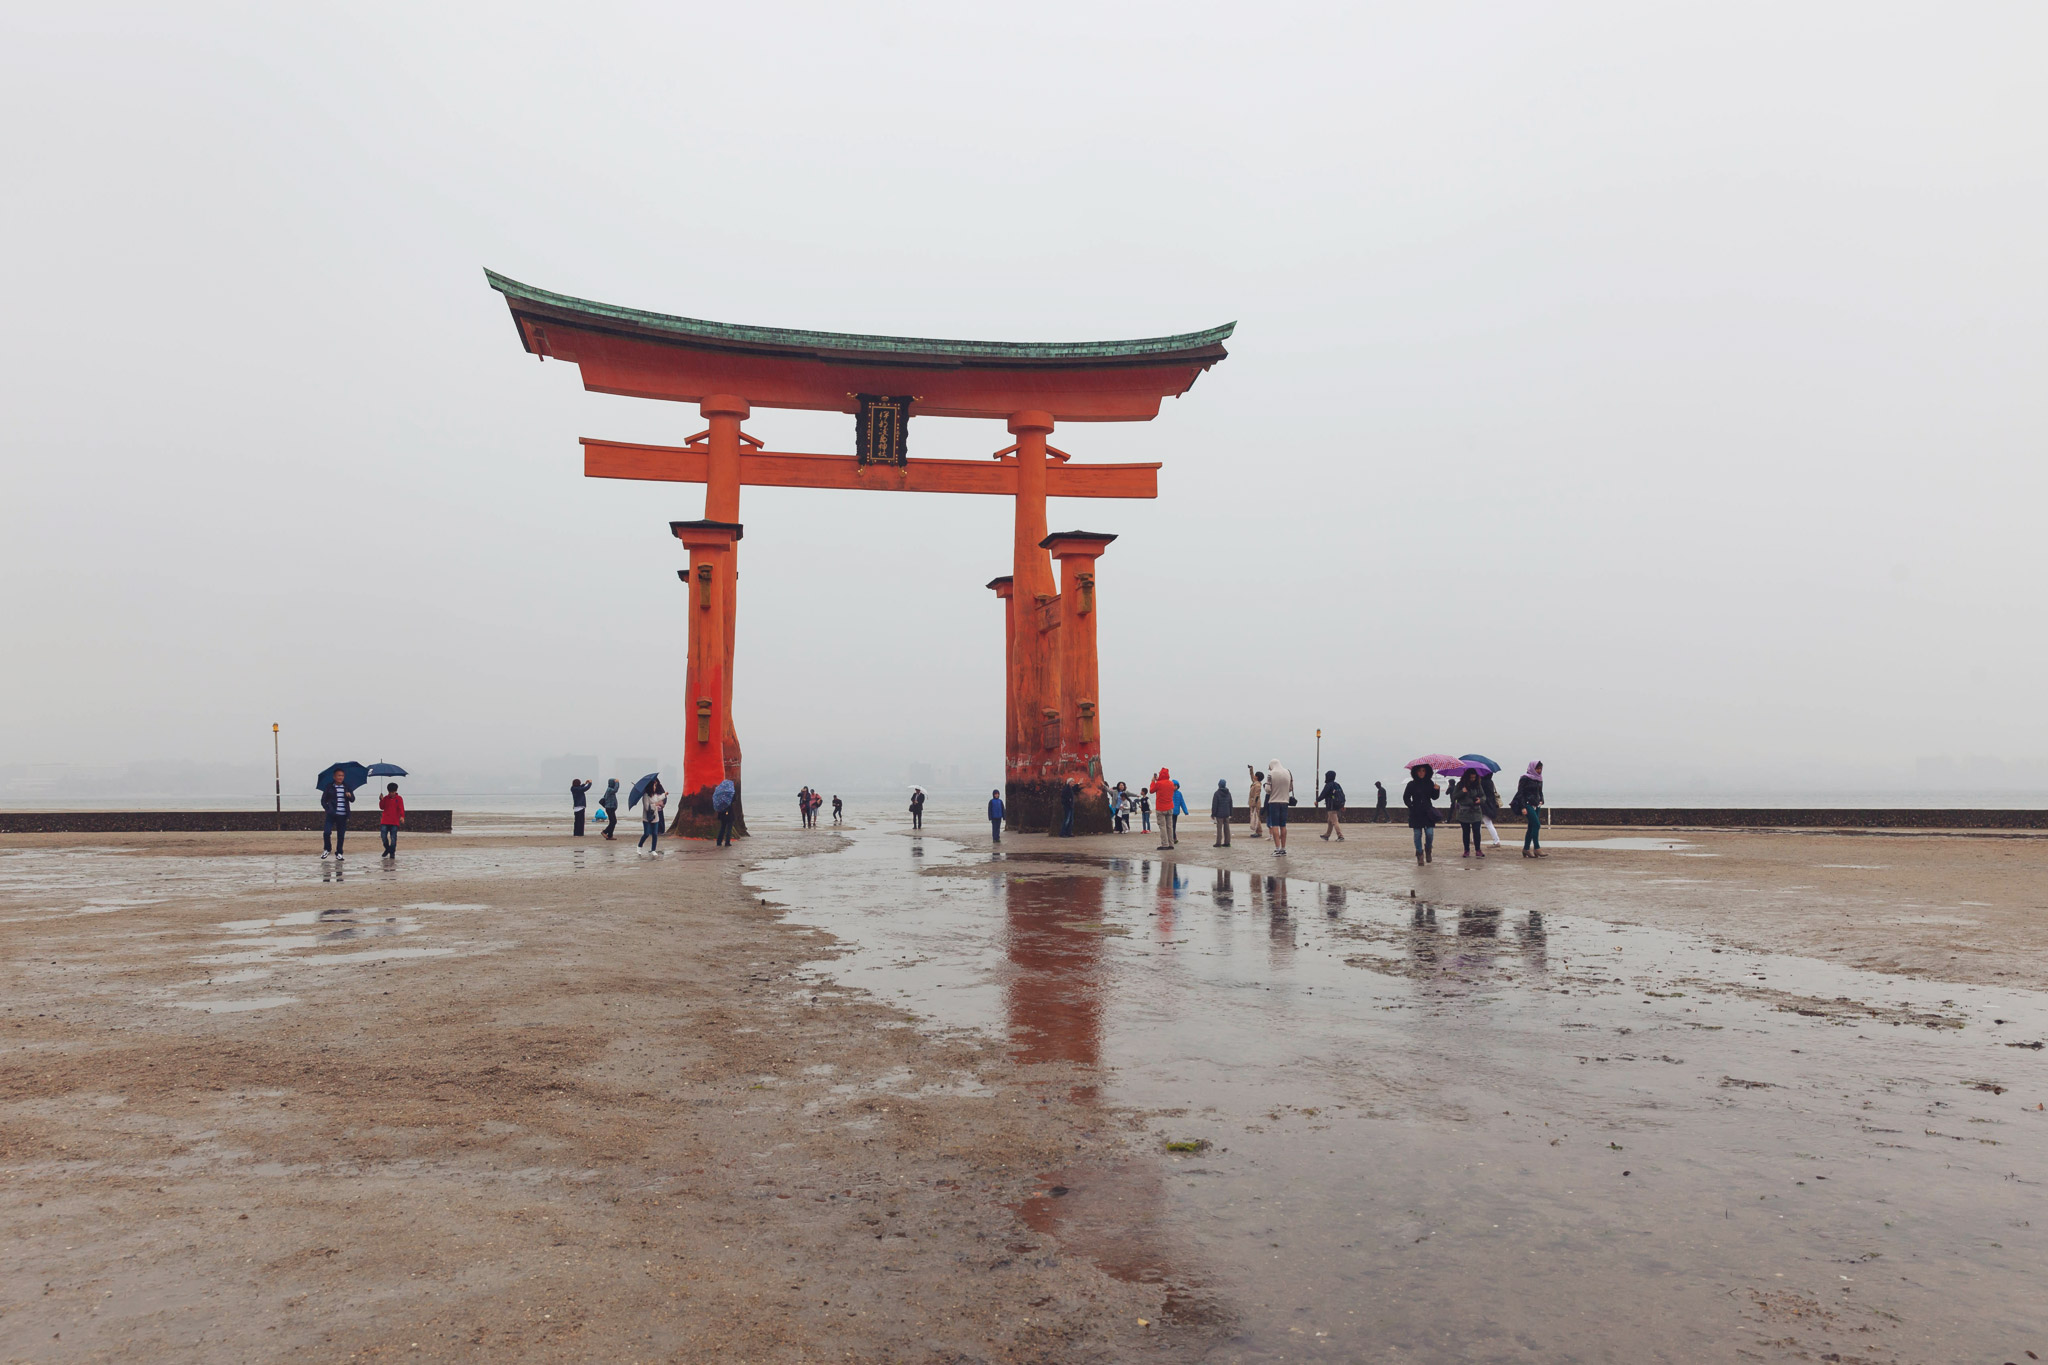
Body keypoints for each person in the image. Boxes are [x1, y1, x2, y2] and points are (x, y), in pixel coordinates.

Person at [1403, 764, 1440, 866]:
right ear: (1415, 772)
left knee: (1429, 833)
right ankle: (1419, 854)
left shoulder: (1430, 783)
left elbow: (1434, 797)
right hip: (1416, 812)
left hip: (1428, 812)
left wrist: (1437, 790)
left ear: (1427, 772)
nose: (1421, 773)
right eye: (1419, 771)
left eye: (1423, 771)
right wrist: (1411, 806)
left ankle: (1428, 849)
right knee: (1417, 834)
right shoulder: (1411, 784)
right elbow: (1406, 797)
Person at [1512, 761, 1546, 858]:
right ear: (1532, 768)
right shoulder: (1525, 778)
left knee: (1531, 827)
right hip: (1527, 804)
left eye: (1540, 769)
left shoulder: (1539, 778)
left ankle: (1526, 849)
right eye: (1537, 769)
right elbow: (1520, 793)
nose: (1539, 771)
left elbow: (1540, 792)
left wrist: (1542, 800)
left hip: (1537, 805)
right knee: (1537, 824)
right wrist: (1523, 807)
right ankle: (1537, 848)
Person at [1451, 770, 1486, 858]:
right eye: (1471, 778)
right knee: (1466, 832)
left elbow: (1483, 796)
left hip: (1476, 811)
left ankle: (1478, 849)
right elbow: (1454, 797)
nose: (1472, 779)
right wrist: (1462, 792)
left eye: (1474, 777)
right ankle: (1466, 850)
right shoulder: (1460, 785)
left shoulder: (1478, 785)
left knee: (1477, 831)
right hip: (1464, 812)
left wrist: (1480, 800)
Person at [320, 766, 353, 860]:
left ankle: (339, 852)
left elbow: (353, 799)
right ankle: (327, 849)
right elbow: (323, 800)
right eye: (339, 775)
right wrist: (328, 809)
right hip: (331, 814)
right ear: (334, 776)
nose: (341, 777)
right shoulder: (329, 786)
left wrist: (349, 796)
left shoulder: (347, 786)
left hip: (343, 815)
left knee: (341, 835)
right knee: (326, 832)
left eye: (342, 775)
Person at [1264, 761, 1294, 856]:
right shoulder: (1288, 772)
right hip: (1285, 802)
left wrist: (1265, 786)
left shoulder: (1271, 774)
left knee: (1275, 825)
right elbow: (1290, 788)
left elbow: (1268, 790)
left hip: (1274, 802)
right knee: (1283, 825)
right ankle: (1283, 848)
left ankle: (1277, 849)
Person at [1148, 769, 1176, 850]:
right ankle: (1171, 843)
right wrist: (1158, 781)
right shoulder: (1171, 783)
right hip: (1170, 807)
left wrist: (1153, 781)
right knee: (1169, 827)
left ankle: (1165, 844)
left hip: (1161, 808)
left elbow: (1151, 790)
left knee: (1162, 827)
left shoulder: (1159, 783)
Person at [638, 779, 666, 856]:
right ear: (650, 786)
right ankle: (639, 846)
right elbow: (647, 807)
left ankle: (653, 850)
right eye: (654, 785)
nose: (655, 787)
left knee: (654, 834)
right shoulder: (645, 796)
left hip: (655, 817)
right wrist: (655, 805)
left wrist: (664, 795)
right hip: (647, 817)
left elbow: (658, 798)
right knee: (646, 834)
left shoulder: (654, 795)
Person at [377, 781, 405, 859]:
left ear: (396, 791)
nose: (391, 793)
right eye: (390, 792)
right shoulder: (386, 798)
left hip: (394, 821)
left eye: (393, 792)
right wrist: (381, 800)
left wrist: (402, 816)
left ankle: (392, 852)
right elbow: (382, 807)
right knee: (383, 836)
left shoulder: (399, 798)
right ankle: (387, 848)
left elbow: (401, 808)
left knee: (393, 838)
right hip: (385, 821)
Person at [1478, 767, 1504, 848]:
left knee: (1486, 822)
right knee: (1482, 822)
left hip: (1484, 805)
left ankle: (1496, 840)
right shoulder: (1490, 782)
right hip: (1490, 804)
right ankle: (1476, 839)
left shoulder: (1482, 782)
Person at [1318, 770, 1346, 841]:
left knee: (1334, 821)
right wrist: (1342, 805)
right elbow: (1342, 795)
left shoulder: (1328, 785)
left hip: (1331, 806)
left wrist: (1317, 800)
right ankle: (1327, 835)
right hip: (1337, 805)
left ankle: (1340, 836)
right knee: (1330, 820)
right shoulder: (1337, 784)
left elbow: (1323, 794)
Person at [713, 777, 737, 846]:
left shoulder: (719, 796)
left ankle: (719, 842)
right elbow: (734, 800)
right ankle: (727, 842)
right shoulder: (730, 794)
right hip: (729, 813)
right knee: (729, 828)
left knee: (722, 828)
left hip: (722, 814)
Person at [1210, 778, 1233, 847]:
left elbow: (1214, 804)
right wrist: (1231, 813)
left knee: (1219, 829)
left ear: (1219, 785)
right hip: (1226, 813)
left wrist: (1213, 814)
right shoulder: (1228, 793)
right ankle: (1227, 842)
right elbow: (1230, 803)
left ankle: (1218, 842)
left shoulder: (1217, 793)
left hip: (1219, 814)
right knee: (1227, 828)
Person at [1246, 765, 1266, 839]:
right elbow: (1252, 776)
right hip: (1253, 802)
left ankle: (1259, 831)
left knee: (1257, 817)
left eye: (1255, 775)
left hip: (1256, 803)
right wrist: (1251, 769)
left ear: (1257, 777)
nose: (1254, 776)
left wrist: (1254, 804)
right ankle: (1257, 831)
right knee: (1255, 817)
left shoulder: (1257, 785)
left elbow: (1257, 795)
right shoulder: (1255, 782)